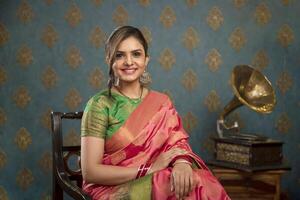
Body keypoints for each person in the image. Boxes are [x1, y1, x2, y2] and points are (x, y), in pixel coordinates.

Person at [81, 25, 230, 200]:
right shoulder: (99, 105)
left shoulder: (162, 102)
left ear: (146, 60)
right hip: (113, 187)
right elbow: (90, 172)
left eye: (136, 54)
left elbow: (177, 143)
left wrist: (182, 163)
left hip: (157, 177)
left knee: (197, 180)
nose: (129, 61)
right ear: (109, 60)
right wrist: (149, 170)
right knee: (169, 182)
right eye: (120, 55)